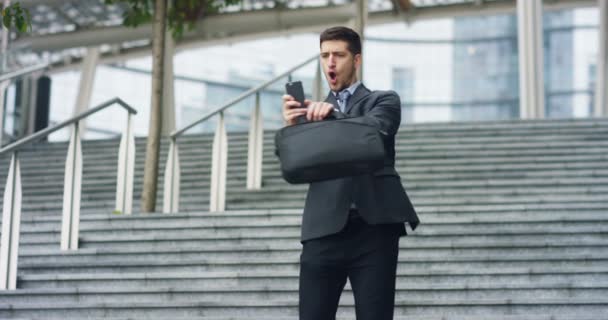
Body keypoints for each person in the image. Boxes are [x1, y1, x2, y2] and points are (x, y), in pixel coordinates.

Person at [281, 26, 420, 320]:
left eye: (338, 55)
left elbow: (374, 133)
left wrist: (330, 115)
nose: (330, 62)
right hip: (322, 229)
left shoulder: (384, 100)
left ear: (356, 60)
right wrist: (295, 130)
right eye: (324, 55)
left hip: (374, 229)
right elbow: (295, 165)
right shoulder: (310, 113)